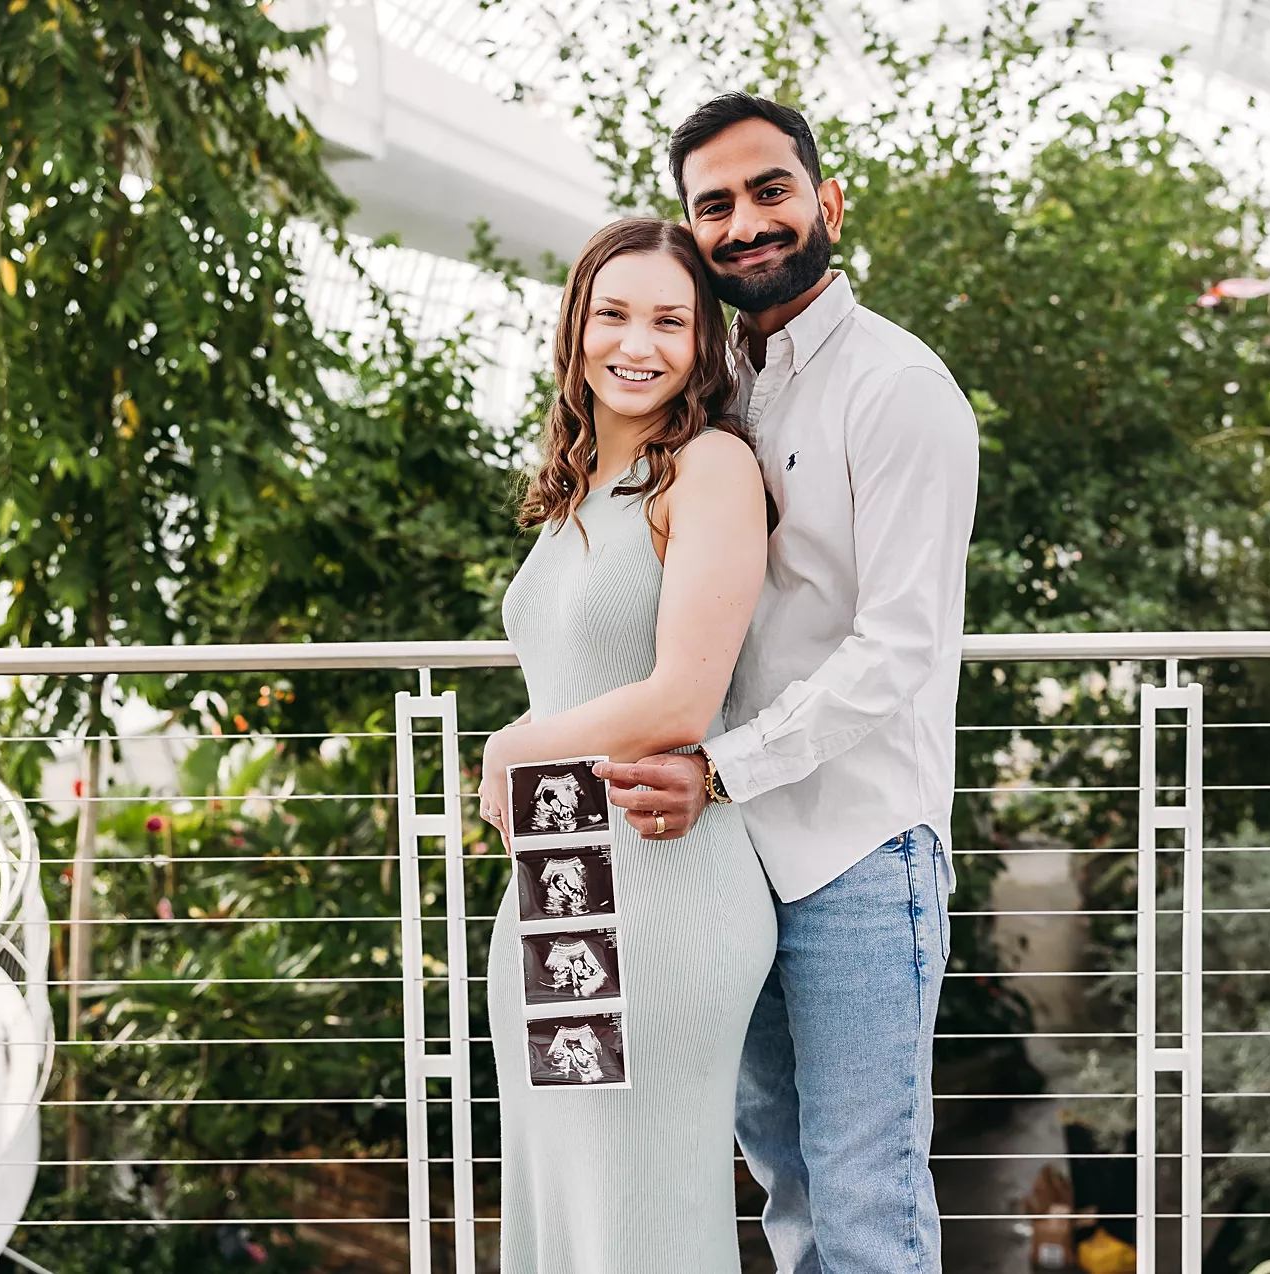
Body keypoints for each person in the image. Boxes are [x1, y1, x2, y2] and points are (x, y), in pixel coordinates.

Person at [595, 94, 981, 1273]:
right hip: (730, 853)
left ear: (826, 200)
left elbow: (899, 646)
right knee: (788, 1191)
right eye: (713, 204)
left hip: (860, 845)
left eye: (769, 189)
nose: (745, 222)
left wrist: (717, 766)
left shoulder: (897, 387)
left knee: (866, 1202)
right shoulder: (718, 389)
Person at [477, 216, 775, 1272]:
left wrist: (515, 743)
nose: (636, 343)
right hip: (564, 882)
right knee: (572, 1210)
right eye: (612, 314)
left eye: (669, 320)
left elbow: (682, 698)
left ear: (703, 343)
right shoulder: (574, 493)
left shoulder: (709, 467)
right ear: (575, 328)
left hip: (662, 888)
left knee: (640, 1214)